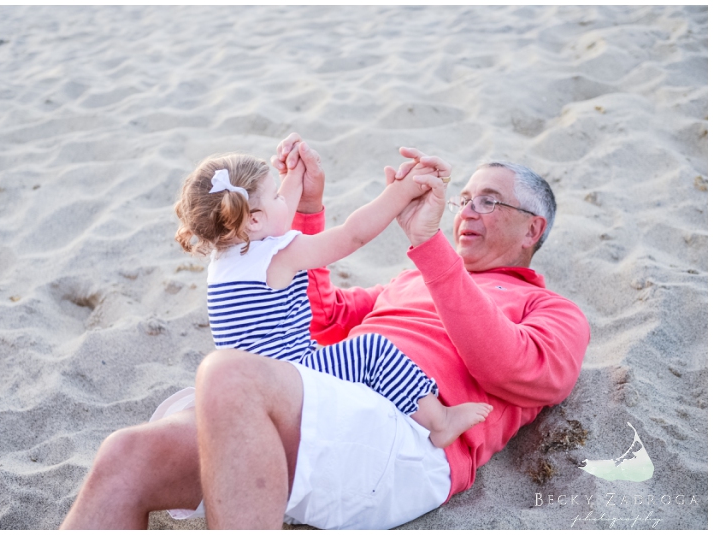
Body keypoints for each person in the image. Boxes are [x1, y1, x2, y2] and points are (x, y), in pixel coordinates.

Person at [60, 134, 590, 530]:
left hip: (411, 442)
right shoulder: (408, 283)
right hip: (319, 409)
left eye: (489, 200)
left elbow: (509, 366)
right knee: (124, 455)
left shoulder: (553, 311)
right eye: (465, 197)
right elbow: (319, 318)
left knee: (225, 373)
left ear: (532, 229)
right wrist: (308, 208)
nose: (466, 210)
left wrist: (431, 249)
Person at [169, 149, 491, 449]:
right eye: (278, 195)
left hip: (257, 389)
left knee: (335, 352)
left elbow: (273, 216)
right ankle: (439, 421)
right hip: (293, 383)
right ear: (253, 220)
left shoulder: (226, 262)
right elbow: (353, 234)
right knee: (371, 350)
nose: (286, 197)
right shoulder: (278, 254)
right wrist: (401, 192)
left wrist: (295, 173)